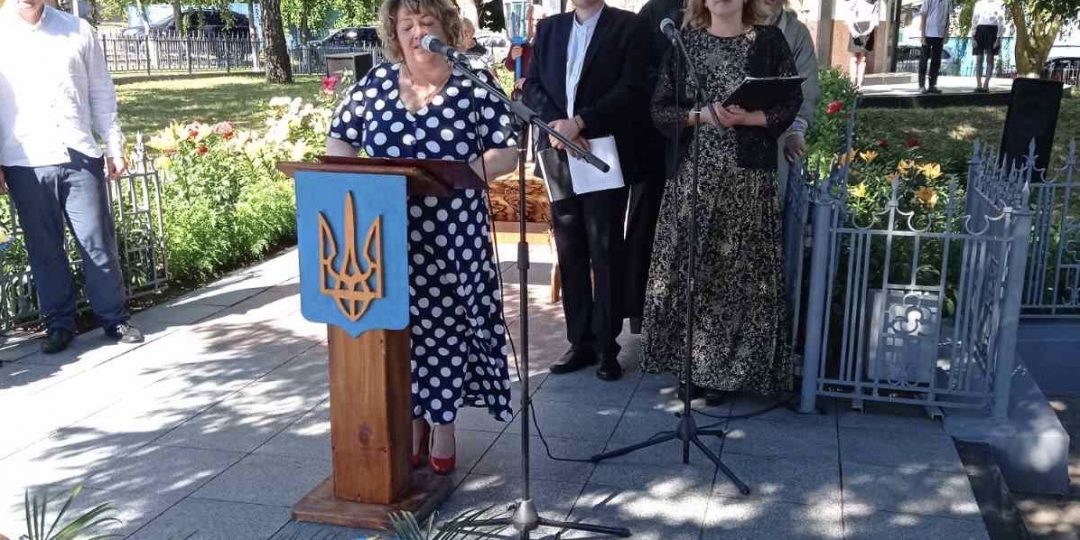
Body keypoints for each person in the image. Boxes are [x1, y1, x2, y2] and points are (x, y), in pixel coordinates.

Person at [325, 0, 518, 475]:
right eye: (406, 24)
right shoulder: (375, 85)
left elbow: (506, 152)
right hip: (386, 236)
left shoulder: (473, 83)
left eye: (427, 22)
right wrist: (354, 177)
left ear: (446, 28)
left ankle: (444, 424)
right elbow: (339, 139)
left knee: (447, 327)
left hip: (454, 234)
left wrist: (460, 175)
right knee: (401, 329)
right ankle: (413, 420)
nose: (417, 33)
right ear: (394, 32)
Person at [642, 0, 801, 402]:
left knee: (737, 275)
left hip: (747, 179)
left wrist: (746, 119)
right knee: (693, 272)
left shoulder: (769, 39)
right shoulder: (686, 43)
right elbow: (660, 110)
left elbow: (790, 101)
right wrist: (702, 115)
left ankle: (725, 371)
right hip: (694, 177)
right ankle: (691, 365)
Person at [0, 0, 145, 355]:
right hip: (24, 160)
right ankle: (59, 325)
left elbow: (101, 92)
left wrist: (114, 146)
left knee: (97, 242)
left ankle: (114, 318)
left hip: (78, 152)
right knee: (44, 249)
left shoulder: (78, 30)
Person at [524, 0, 646, 381]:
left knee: (605, 248)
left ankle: (607, 345)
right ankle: (580, 341)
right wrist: (558, 127)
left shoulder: (627, 27)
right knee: (569, 248)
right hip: (558, 152)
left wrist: (580, 122)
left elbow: (631, 90)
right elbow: (532, 87)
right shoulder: (549, 30)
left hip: (600, 151)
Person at [753, 0, 819, 202]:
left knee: (769, 203)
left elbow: (806, 87)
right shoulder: (732, 22)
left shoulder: (796, 33)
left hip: (776, 136)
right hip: (729, 134)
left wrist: (795, 132)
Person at [969, 0, 1004, 93]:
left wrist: (998, 38)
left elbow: (1001, 21)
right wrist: (973, 37)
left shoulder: (999, 3)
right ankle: (978, 85)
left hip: (993, 31)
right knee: (979, 58)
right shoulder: (979, 4)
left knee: (990, 58)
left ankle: (986, 85)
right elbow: (974, 20)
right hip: (980, 30)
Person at [919, 0, 953, 94]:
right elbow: (923, 15)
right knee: (924, 60)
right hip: (928, 33)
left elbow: (948, 18)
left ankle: (932, 85)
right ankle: (921, 85)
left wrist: (946, 33)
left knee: (936, 62)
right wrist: (923, 35)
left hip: (940, 34)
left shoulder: (947, 1)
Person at [846, 0, 880, 89]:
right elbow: (849, 14)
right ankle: (852, 82)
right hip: (855, 26)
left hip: (868, 27)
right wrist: (853, 31)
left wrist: (869, 30)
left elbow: (875, 17)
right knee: (854, 58)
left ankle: (859, 83)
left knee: (863, 58)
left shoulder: (875, 2)